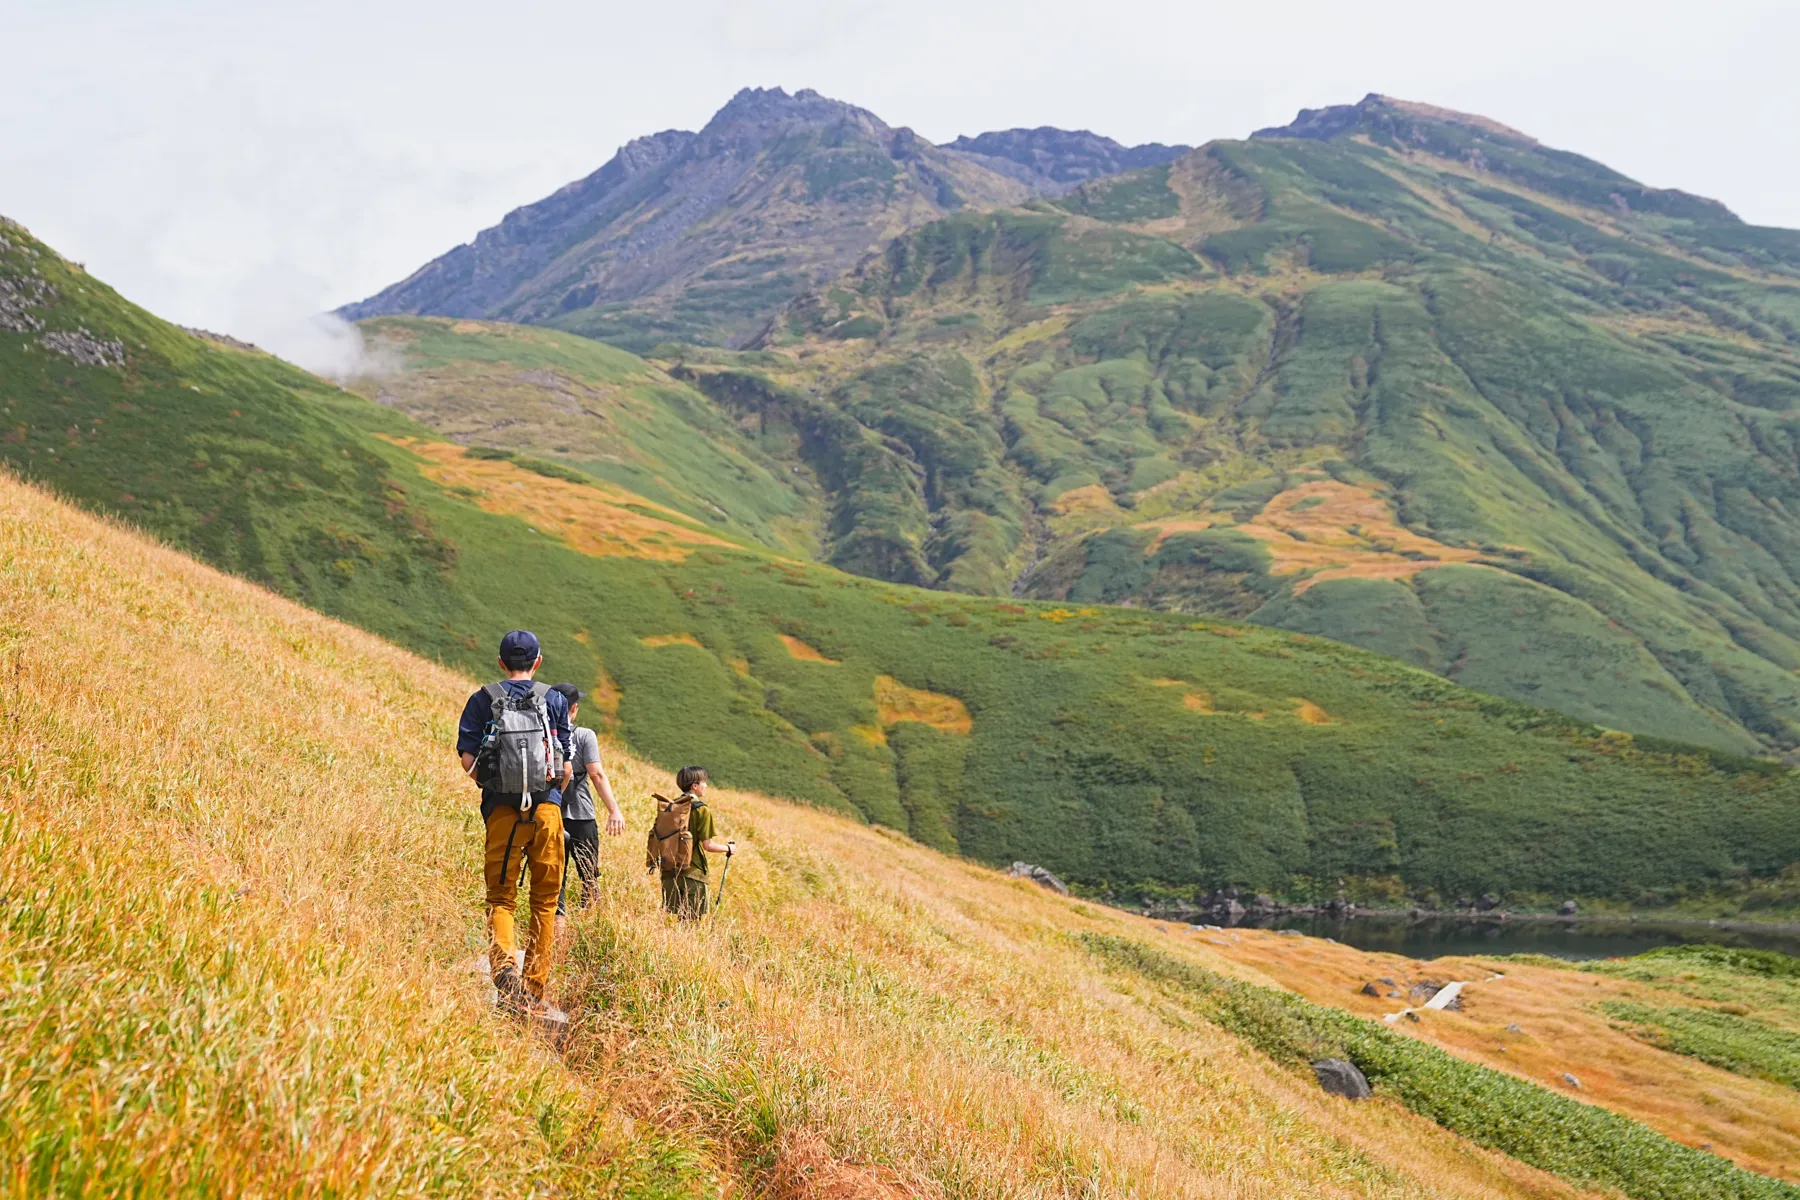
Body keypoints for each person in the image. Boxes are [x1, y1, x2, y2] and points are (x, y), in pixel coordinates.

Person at [456, 630, 571, 1014]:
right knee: (544, 901)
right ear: (537, 662)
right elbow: (566, 766)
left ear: (500, 662)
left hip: (502, 813)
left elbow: (468, 762)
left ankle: (505, 971)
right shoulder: (553, 698)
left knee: (501, 898)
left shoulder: (482, 699)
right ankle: (534, 989)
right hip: (547, 811)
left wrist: (494, 785)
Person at [549, 682, 625, 918]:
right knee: (589, 877)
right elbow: (597, 775)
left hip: (551, 811)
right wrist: (614, 810)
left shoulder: (544, 735)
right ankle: (589, 923)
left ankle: (555, 930)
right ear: (574, 709)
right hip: (581, 815)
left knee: (555, 878)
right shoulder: (583, 736)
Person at [660, 765, 733, 918]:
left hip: (669, 873)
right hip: (693, 874)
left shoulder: (670, 806)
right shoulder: (701, 810)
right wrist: (728, 848)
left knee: (672, 922)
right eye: (703, 782)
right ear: (694, 786)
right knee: (691, 925)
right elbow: (708, 846)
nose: (705, 785)